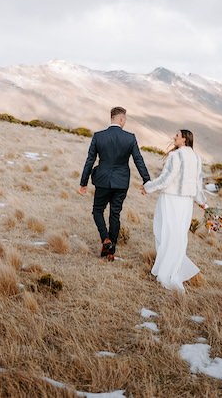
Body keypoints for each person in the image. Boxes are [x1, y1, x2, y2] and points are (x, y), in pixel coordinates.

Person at [79, 107, 151, 261]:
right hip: (121, 182)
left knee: (97, 210)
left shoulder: (99, 136)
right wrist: (147, 181)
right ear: (121, 119)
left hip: (103, 180)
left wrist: (83, 182)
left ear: (111, 118)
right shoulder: (130, 138)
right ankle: (111, 252)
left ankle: (105, 239)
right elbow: (139, 160)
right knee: (115, 214)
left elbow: (89, 160)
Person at [143, 129, 206, 292]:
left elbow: (166, 179)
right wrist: (202, 202)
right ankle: (172, 268)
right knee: (178, 236)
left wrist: (148, 187)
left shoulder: (175, 156)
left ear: (184, 139)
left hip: (171, 199)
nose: (174, 137)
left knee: (163, 232)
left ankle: (165, 271)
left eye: (177, 136)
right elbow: (198, 184)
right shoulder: (197, 158)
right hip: (186, 203)